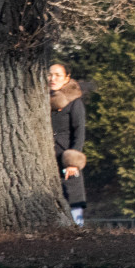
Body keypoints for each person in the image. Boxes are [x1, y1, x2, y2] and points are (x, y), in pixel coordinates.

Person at [48, 63, 88, 226]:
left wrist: (73, 162)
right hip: (46, 159)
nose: (53, 79)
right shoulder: (41, 100)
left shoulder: (74, 102)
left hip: (65, 158)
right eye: (50, 74)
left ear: (67, 78)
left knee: (72, 200)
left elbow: (79, 132)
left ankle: (78, 230)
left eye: (58, 75)